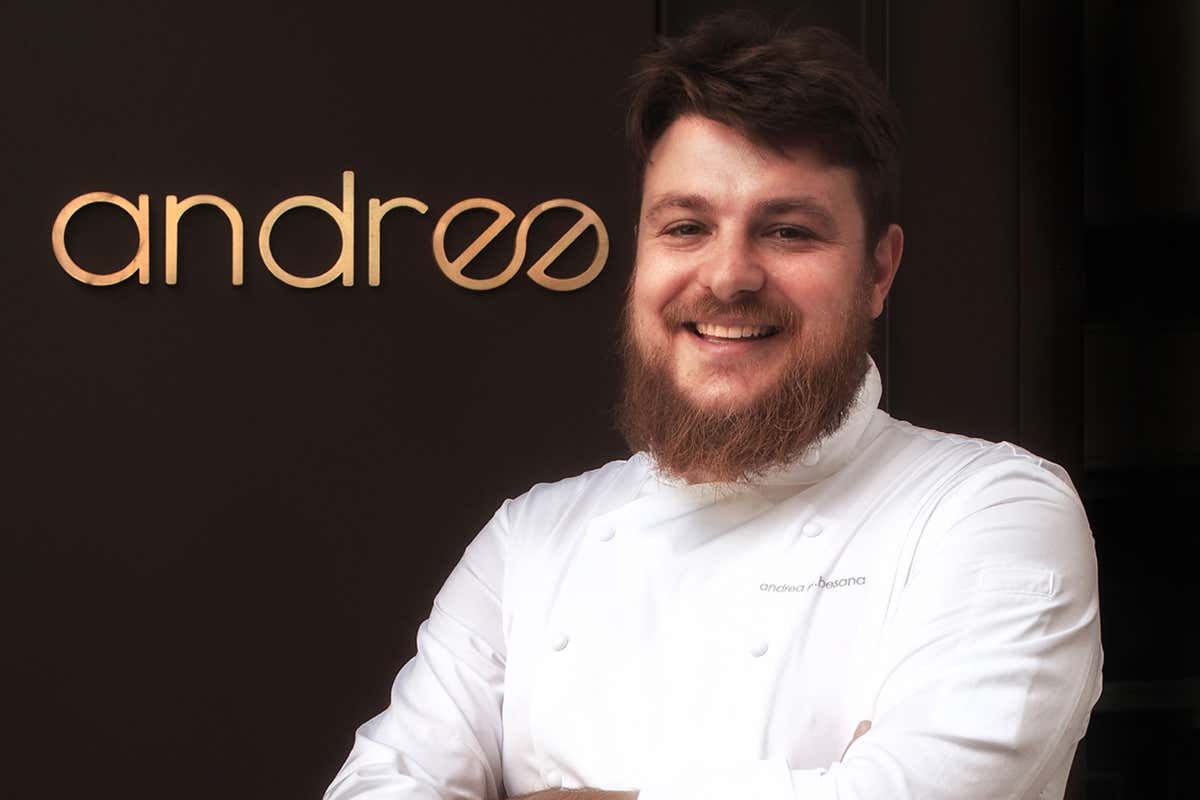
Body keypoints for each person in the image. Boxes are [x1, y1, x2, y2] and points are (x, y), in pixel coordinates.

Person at [324, 13, 1102, 800]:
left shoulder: (990, 508)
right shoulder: (531, 539)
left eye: (789, 231)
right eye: (687, 226)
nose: (729, 276)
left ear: (878, 271)